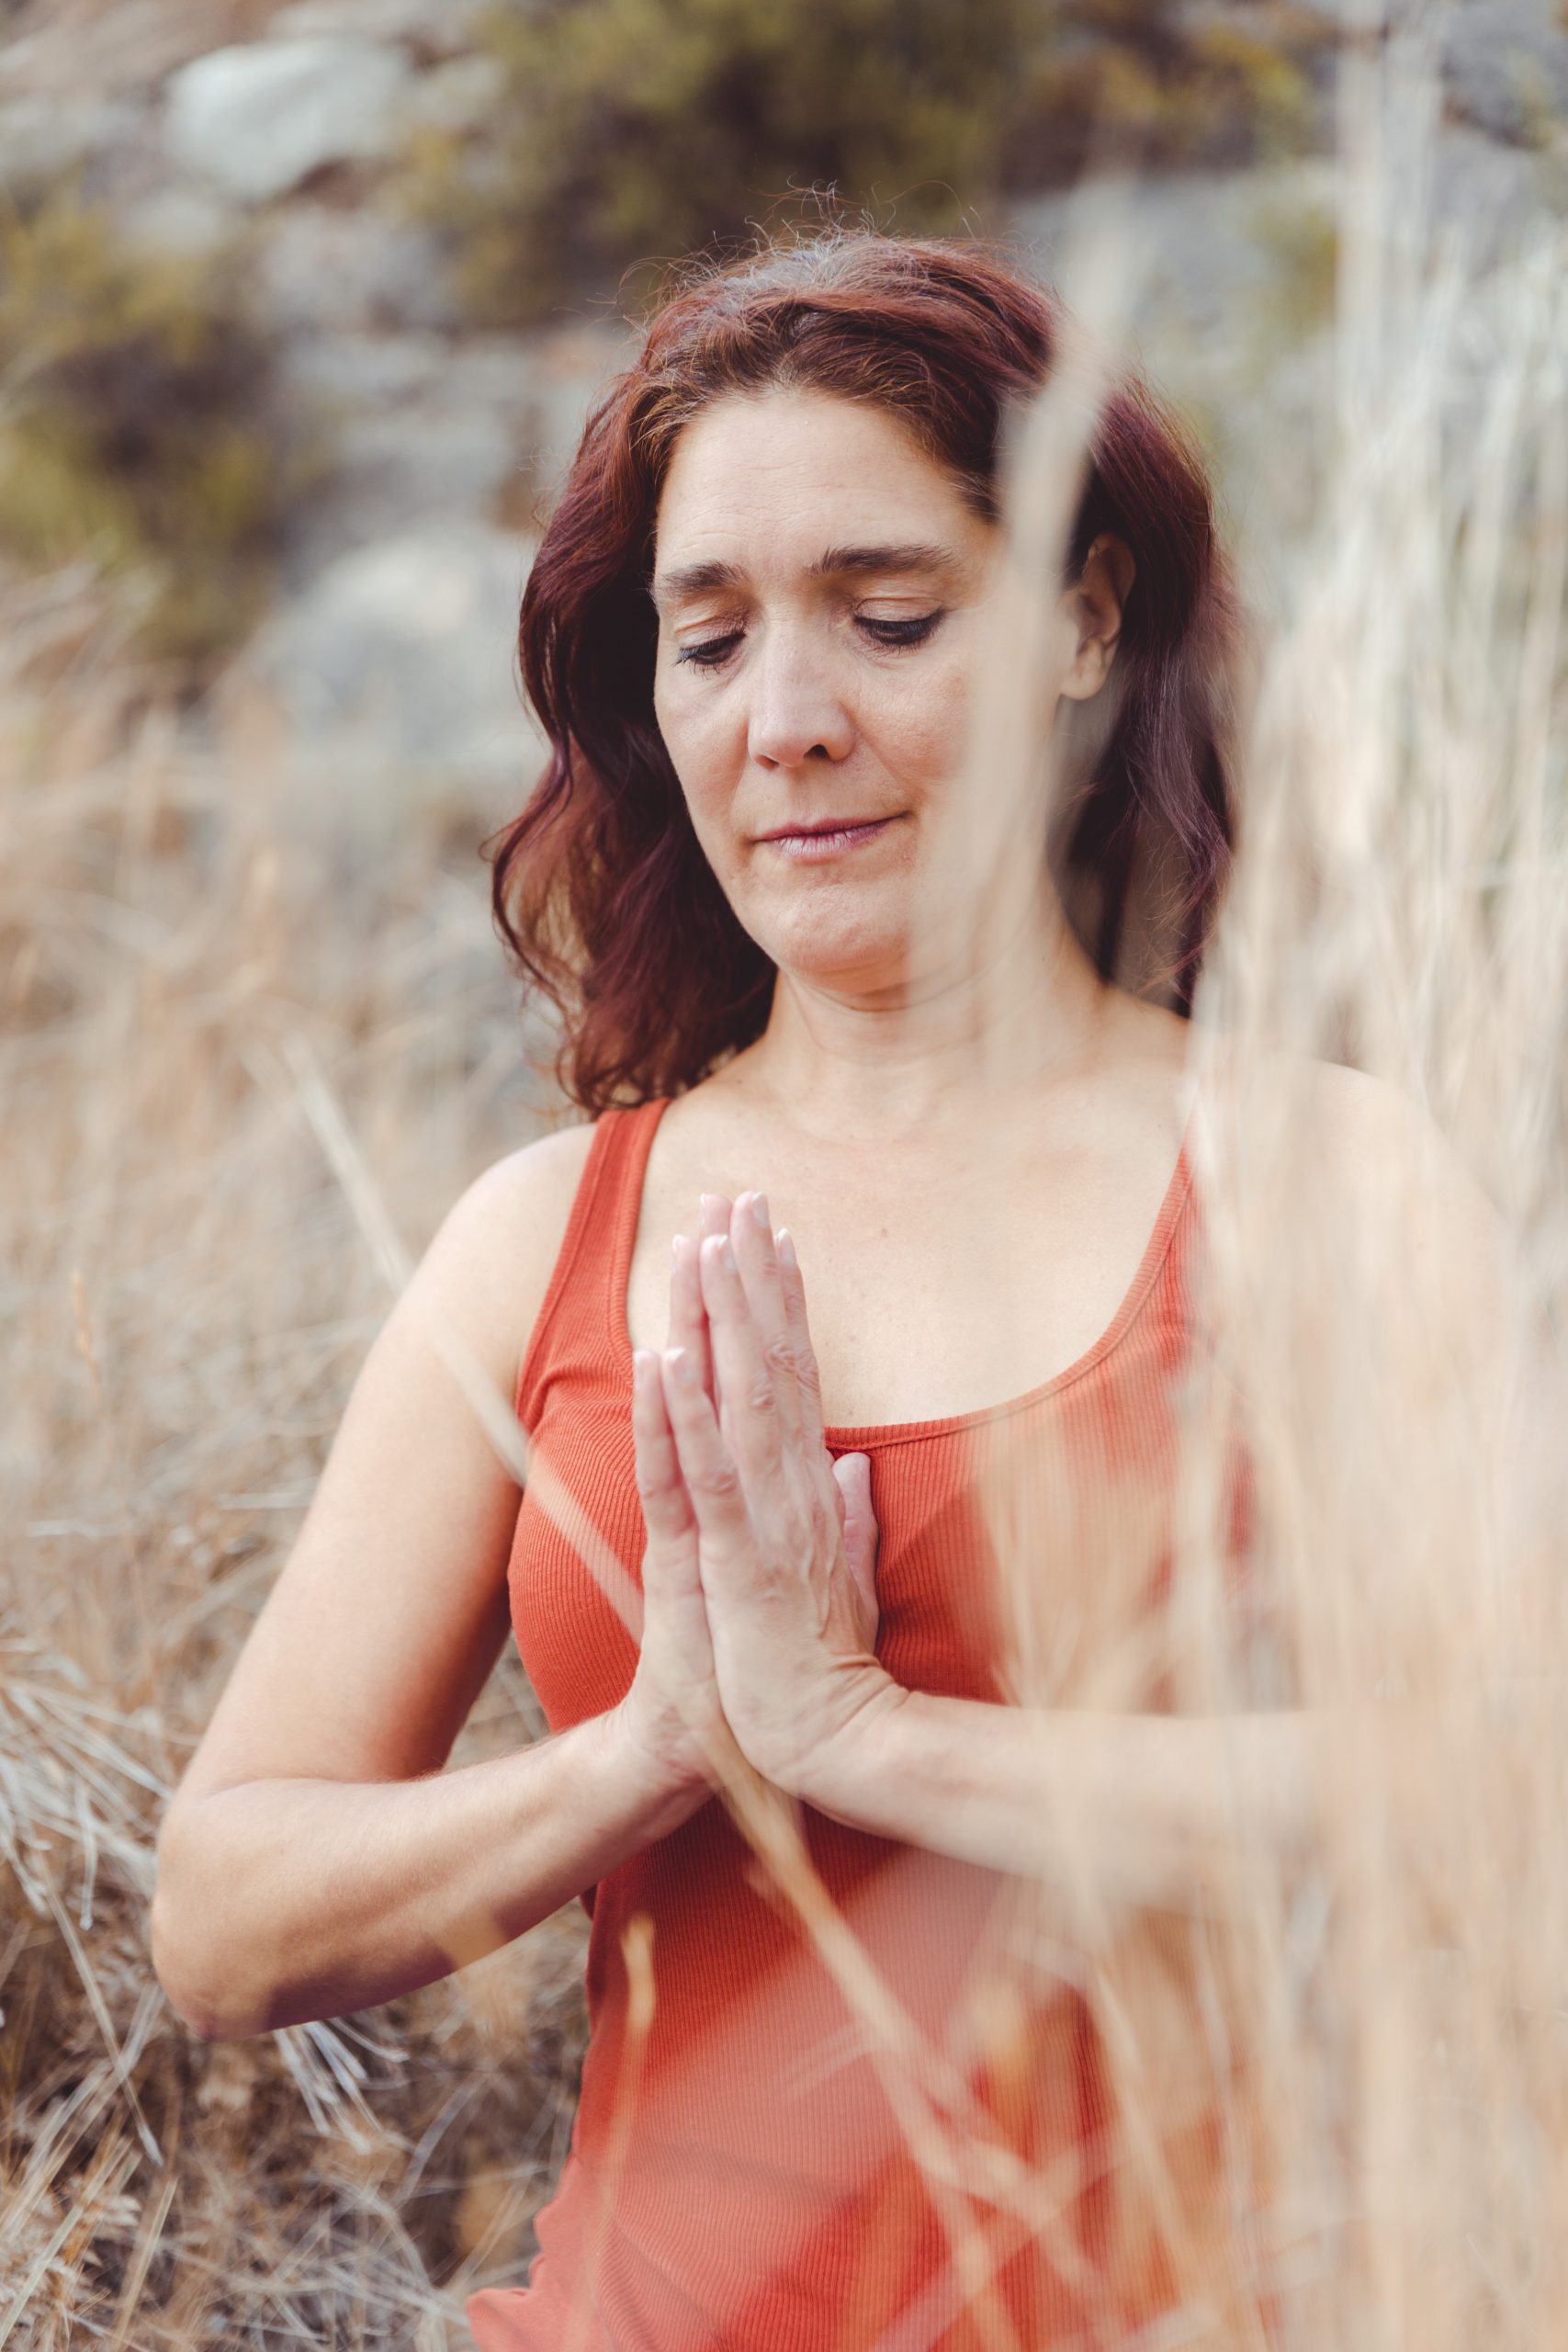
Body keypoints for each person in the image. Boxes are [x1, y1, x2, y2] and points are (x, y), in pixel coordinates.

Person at [151, 230, 1512, 2348]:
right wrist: (655, 1749)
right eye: (705, 642)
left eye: (886, 617)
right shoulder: (543, 1231)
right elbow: (222, 1916)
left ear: (1081, 617)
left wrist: (861, 1731)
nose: (785, 723)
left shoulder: (1319, 1177)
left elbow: (1493, 1790)